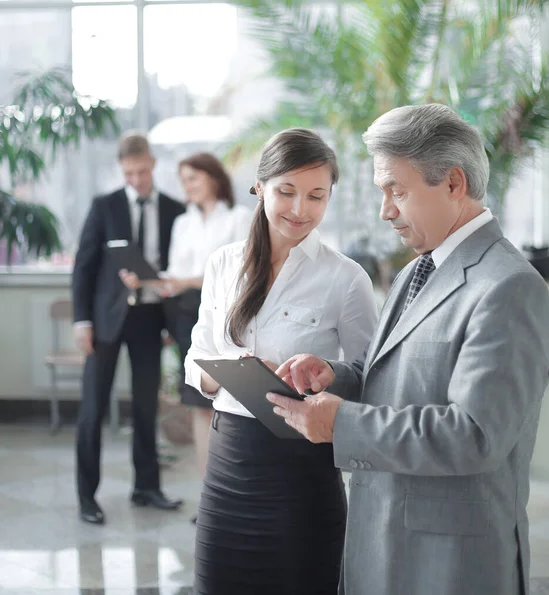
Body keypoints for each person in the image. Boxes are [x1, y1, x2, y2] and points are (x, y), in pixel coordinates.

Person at [269, 104, 549, 595]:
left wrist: (342, 423)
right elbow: (393, 375)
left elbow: (475, 434)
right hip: (381, 544)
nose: (385, 210)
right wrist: (334, 377)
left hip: (449, 564)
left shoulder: (508, 287)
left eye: (396, 191)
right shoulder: (417, 270)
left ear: (452, 183)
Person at [184, 128, 378, 595]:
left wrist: (320, 379)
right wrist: (230, 373)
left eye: (316, 196)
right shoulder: (224, 264)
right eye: (286, 192)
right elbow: (196, 359)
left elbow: (372, 377)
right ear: (260, 188)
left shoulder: (346, 279)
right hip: (228, 467)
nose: (299, 209)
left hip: (301, 475)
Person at [72, 132, 185, 525]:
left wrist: (175, 319)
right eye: (128, 173)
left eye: (140, 171)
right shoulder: (104, 206)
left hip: (150, 319)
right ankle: (87, 496)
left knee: (144, 406)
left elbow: (179, 267)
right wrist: (81, 320)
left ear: (152, 163)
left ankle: (147, 487)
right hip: (105, 321)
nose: (135, 179)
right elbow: (83, 267)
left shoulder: (175, 209)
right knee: (93, 407)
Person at [160, 152, 252, 521]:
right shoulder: (182, 223)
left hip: (228, 315)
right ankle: (210, 497)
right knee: (199, 402)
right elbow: (174, 273)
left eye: (194, 178)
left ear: (214, 178)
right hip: (185, 313)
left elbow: (241, 273)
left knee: (233, 402)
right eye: (184, 180)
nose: (188, 187)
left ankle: (239, 495)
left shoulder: (240, 218)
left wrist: (185, 280)